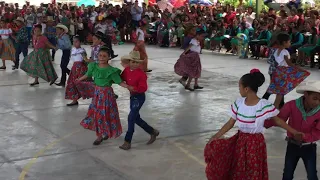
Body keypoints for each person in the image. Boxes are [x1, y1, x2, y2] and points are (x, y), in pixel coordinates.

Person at [204, 69, 304, 180]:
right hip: (240, 141)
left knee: (253, 169)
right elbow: (230, 123)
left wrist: (294, 132)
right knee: (238, 167)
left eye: (239, 88)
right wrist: (216, 136)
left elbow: (278, 121)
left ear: (246, 89)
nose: (239, 90)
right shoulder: (239, 103)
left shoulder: (263, 105)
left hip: (255, 143)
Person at [265, 81, 320, 180]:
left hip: (309, 147)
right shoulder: (292, 105)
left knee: (312, 175)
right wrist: (264, 121)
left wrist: (305, 136)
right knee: (287, 174)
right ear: (306, 94)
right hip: (292, 146)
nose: (317, 103)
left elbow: (318, 132)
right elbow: (279, 120)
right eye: (315, 98)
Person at [78, 46, 129, 145]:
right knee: (98, 115)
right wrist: (79, 79)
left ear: (109, 58)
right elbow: (87, 75)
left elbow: (120, 82)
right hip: (97, 94)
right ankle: (100, 135)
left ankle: (105, 131)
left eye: (104, 56)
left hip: (107, 95)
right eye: (100, 55)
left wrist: (128, 87)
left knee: (106, 114)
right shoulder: (93, 66)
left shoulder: (111, 70)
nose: (101, 57)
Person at [119, 51, 159, 150]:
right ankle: (152, 131)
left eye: (137, 62)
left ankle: (127, 141)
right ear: (129, 62)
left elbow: (143, 87)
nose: (135, 64)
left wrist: (134, 88)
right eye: (133, 62)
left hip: (139, 97)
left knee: (131, 118)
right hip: (132, 97)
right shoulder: (126, 70)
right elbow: (121, 78)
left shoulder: (141, 74)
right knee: (135, 118)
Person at [266, 33, 310, 109]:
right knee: (280, 93)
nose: (290, 43)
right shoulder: (285, 52)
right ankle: (275, 108)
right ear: (284, 42)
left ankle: (275, 107)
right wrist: (300, 69)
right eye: (289, 42)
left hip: (278, 71)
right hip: (283, 72)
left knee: (279, 92)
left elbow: (281, 61)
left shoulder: (276, 51)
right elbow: (289, 63)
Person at [65, 36, 93, 106]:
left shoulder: (82, 51)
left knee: (83, 83)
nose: (74, 43)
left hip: (81, 69)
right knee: (73, 83)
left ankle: (95, 96)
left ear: (80, 42)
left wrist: (91, 60)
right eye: (73, 42)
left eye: (76, 41)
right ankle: (74, 100)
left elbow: (85, 60)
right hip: (74, 68)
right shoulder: (73, 49)